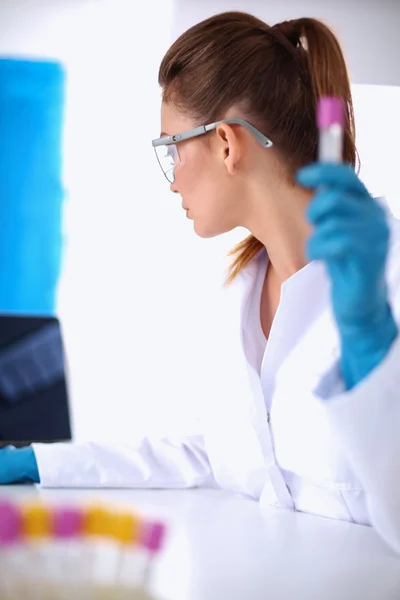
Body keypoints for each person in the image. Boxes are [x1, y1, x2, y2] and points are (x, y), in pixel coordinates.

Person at [1, 11, 400, 553]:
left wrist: (374, 351)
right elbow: (211, 452)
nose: (172, 182)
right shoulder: (238, 291)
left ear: (227, 144)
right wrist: (38, 461)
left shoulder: (386, 278)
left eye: (173, 148)